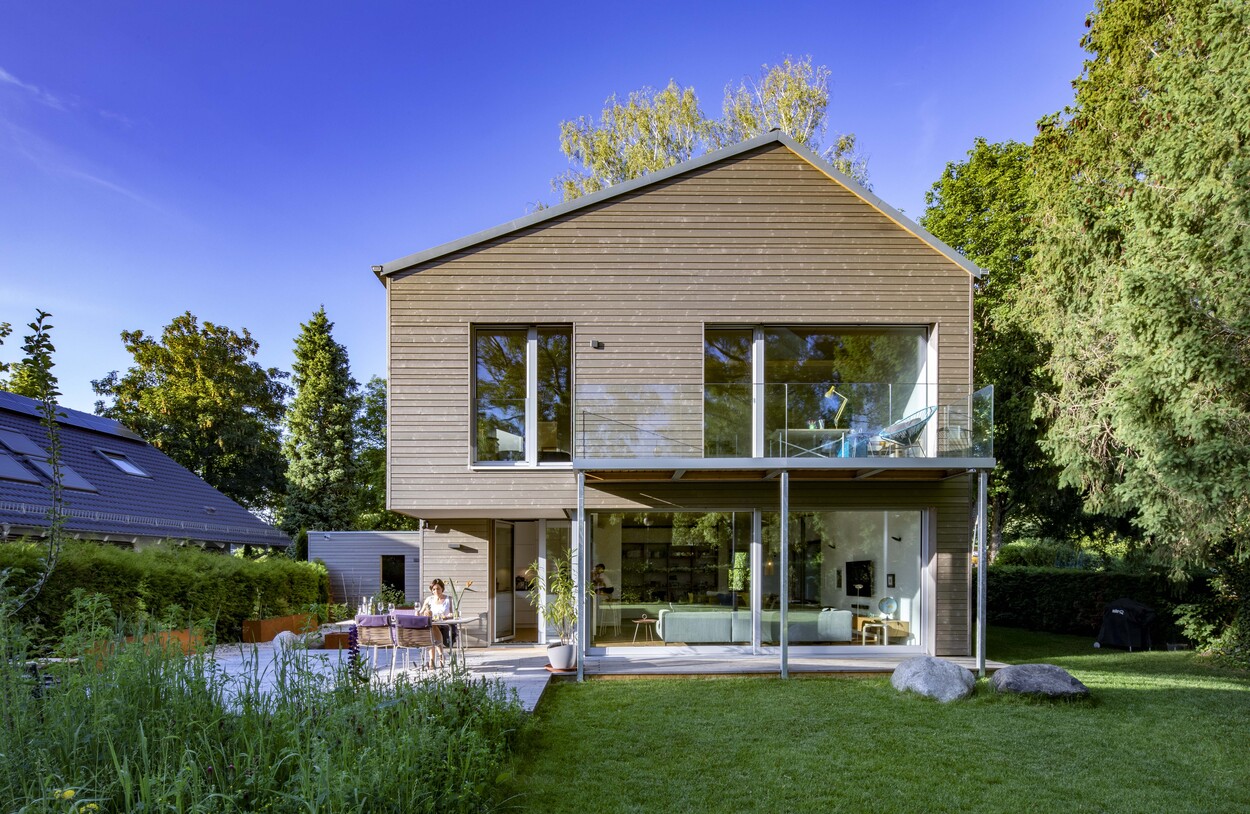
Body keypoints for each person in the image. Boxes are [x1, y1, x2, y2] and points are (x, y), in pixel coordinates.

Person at [420, 579, 453, 667]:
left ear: (442, 588)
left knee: (432, 628)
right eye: (434, 589)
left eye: (438, 588)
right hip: (431, 625)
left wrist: (447, 616)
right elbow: (421, 613)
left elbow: (453, 614)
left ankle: (432, 660)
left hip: (445, 625)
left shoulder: (448, 599)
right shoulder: (429, 599)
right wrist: (423, 613)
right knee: (432, 628)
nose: (436, 591)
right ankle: (439, 656)